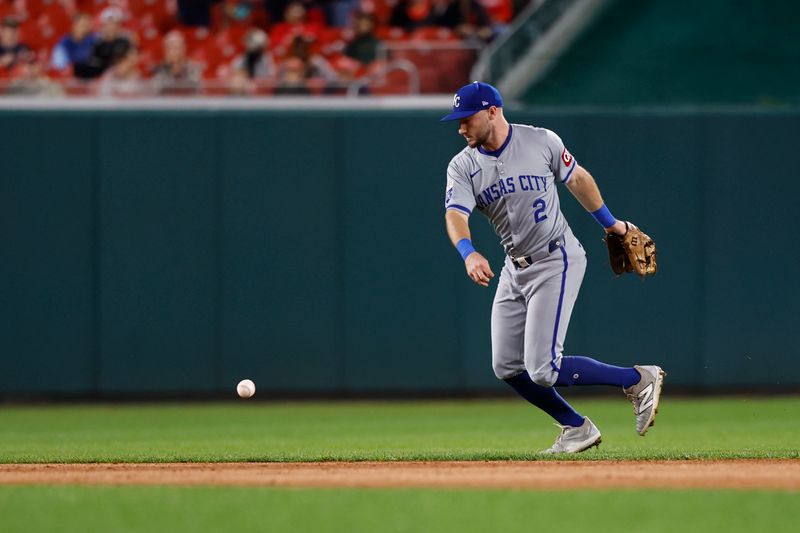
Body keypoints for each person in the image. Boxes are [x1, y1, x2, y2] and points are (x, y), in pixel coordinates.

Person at [441, 82, 666, 454]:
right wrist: (468, 251)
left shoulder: (541, 140)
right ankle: (576, 427)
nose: (460, 127)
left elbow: (577, 179)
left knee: (543, 368)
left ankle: (637, 379)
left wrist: (613, 225)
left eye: (467, 118)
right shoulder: (462, 165)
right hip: (514, 268)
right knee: (506, 366)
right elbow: (455, 214)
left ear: (492, 111)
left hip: (555, 258)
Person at [151, 30, 202, 95]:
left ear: (183, 49)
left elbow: (198, 92)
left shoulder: (193, 69)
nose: (173, 51)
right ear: (165, 51)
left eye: (176, 48)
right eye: (170, 48)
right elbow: (155, 92)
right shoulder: (159, 70)